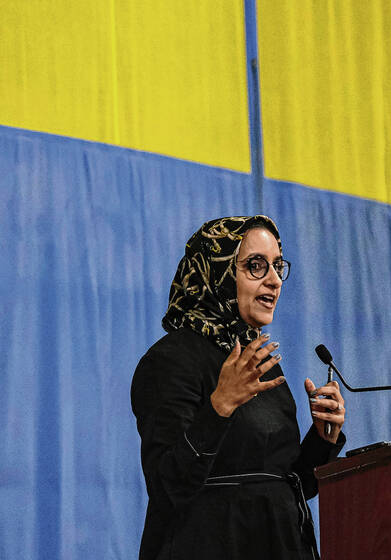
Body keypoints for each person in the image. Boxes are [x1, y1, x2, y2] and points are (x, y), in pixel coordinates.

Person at [131, 215, 346, 560]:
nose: (274, 280)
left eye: (278, 266)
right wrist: (219, 407)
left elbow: (286, 484)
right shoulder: (170, 360)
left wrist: (322, 438)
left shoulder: (259, 358)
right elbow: (167, 486)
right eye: (256, 266)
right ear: (216, 271)